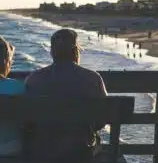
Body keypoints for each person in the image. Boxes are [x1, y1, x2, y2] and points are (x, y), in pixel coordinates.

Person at [24, 29, 108, 161]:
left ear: (52, 52)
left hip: (43, 152)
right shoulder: (93, 78)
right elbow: (102, 119)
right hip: (82, 151)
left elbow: (27, 120)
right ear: (75, 51)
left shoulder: (34, 79)